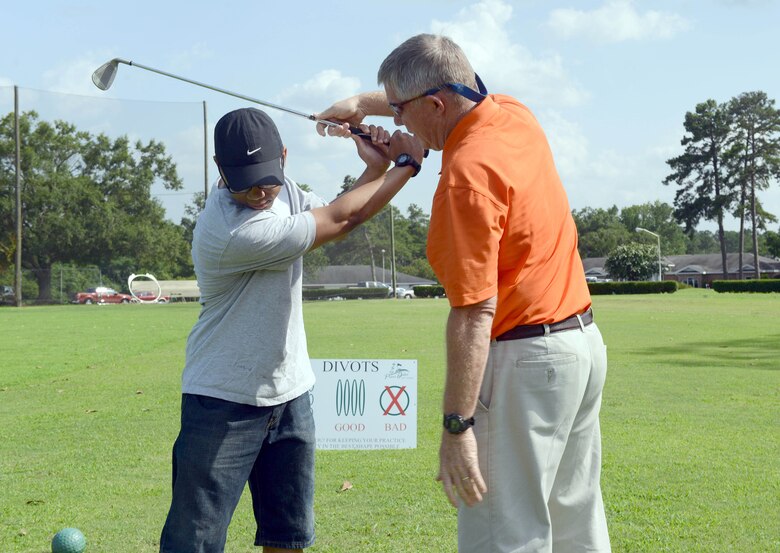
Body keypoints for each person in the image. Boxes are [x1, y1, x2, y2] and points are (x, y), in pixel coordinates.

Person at [316, 34, 610, 553]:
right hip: (580, 350)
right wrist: (363, 104)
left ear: (435, 104)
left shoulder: (466, 176)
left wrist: (457, 428)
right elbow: (441, 94)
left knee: (505, 535)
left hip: (524, 362)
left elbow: (473, 313)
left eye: (404, 111)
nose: (400, 122)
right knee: (573, 526)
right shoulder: (513, 113)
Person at [159, 107, 424, 553]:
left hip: (290, 393)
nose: (260, 192)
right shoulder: (228, 231)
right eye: (245, 183)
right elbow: (343, 221)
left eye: (268, 178)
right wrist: (407, 165)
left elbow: (338, 208)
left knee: (288, 537)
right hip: (222, 400)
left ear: (283, 156)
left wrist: (374, 167)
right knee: (195, 541)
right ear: (221, 172)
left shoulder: (286, 192)